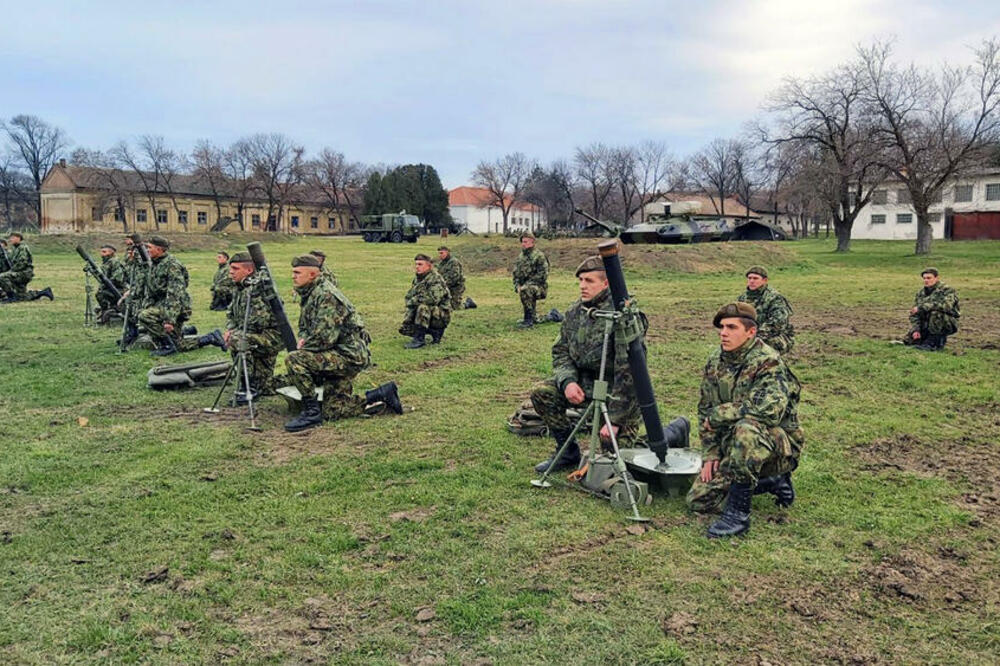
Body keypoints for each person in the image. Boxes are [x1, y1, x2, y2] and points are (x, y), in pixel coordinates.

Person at [687, 302, 804, 538]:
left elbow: (769, 410)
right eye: (722, 327)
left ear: (751, 332)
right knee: (698, 500)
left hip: (775, 444)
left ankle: (738, 514)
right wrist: (711, 453)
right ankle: (772, 483)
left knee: (746, 428)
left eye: (732, 327)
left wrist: (720, 414)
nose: (723, 333)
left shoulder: (768, 361)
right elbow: (705, 409)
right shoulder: (715, 362)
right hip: (733, 445)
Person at [530, 256, 645, 473]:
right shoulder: (575, 312)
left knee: (618, 464)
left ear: (606, 283)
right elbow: (561, 351)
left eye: (589, 281)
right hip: (584, 386)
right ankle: (567, 450)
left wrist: (615, 419)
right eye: (581, 280)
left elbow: (628, 372)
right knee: (542, 393)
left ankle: (672, 432)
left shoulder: (624, 317)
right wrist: (568, 383)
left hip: (616, 394)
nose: (583, 286)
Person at [282, 254, 402, 432]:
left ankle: (311, 412)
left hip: (348, 356)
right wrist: (304, 338)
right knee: (332, 410)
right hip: (336, 353)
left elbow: (323, 339)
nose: (293, 276)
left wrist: (304, 347)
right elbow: (305, 327)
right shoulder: (310, 293)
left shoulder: (327, 296)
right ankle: (381, 395)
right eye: (293, 272)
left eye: (298, 272)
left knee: (295, 359)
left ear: (313, 275)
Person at [137, 236, 225, 356]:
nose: (147, 250)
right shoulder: (156, 264)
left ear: (159, 249)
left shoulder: (172, 265)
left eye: (149, 248)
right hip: (163, 305)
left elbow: (175, 294)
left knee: (146, 316)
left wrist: (170, 320)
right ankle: (197, 335)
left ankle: (170, 344)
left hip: (177, 308)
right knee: (167, 340)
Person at [223, 252, 283, 404]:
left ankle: (249, 387)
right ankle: (249, 383)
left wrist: (235, 333)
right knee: (267, 387)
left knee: (238, 339)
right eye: (231, 268)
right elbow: (231, 313)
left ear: (249, 270)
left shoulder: (258, 289)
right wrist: (230, 329)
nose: (231, 272)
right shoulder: (240, 288)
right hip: (253, 335)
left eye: (235, 269)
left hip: (270, 337)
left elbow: (259, 322)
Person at [737, 266, 794, 354]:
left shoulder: (775, 298)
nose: (752, 281)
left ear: (764, 280)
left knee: (758, 349)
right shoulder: (742, 298)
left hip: (774, 336)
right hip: (750, 335)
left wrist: (754, 336)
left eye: (755, 278)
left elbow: (777, 324)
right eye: (749, 278)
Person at [399, 253, 451, 349]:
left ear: (429, 266)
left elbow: (432, 299)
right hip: (431, 314)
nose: (417, 267)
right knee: (406, 328)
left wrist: (413, 301)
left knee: (423, 307)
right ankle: (434, 333)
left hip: (441, 316)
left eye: (420, 264)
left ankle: (419, 339)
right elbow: (409, 295)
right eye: (416, 264)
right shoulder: (418, 279)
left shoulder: (436, 279)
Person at [902, 267, 959, 351]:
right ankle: (925, 340)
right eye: (924, 278)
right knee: (909, 340)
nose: (926, 280)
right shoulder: (921, 293)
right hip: (927, 322)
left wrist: (923, 307)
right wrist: (916, 329)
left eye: (929, 278)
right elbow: (914, 313)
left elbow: (947, 306)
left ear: (936, 278)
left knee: (936, 313)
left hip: (945, 322)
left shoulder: (947, 290)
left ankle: (934, 343)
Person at [0, 232, 53, 303]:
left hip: (24, 274)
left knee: (2, 277)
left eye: (12, 238)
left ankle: (11, 297)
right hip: (19, 273)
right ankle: (44, 292)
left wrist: (10, 272)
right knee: (21, 297)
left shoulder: (23, 248)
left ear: (18, 238)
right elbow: (9, 261)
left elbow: (21, 263)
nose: (10, 240)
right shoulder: (16, 249)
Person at [512, 232, 549, 328]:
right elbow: (515, 273)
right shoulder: (521, 257)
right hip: (526, 287)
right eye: (522, 242)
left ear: (532, 242)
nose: (523, 244)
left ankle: (528, 320)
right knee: (524, 290)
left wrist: (526, 285)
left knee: (526, 290)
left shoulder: (539, 256)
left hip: (539, 287)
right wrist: (517, 285)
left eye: (525, 242)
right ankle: (550, 316)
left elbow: (543, 275)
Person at [436, 246, 475, 310]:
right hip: (445, 286)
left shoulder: (454, 262)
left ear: (447, 252)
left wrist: (444, 285)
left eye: (442, 253)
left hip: (456, 287)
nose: (440, 255)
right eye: (439, 253)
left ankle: (468, 303)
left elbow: (454, 277)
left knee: (455, 307)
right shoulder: (441, 264)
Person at [95, 245, 127, 324]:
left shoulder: (115, 262)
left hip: (119, 289)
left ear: (111, 252)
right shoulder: (107, 263)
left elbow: (118, 279)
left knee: (100, 294)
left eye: (104, 252)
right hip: (111, 288)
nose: (102, 254)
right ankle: (105, 312)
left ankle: (108, 312)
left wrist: (107, 283)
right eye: (101, 252)